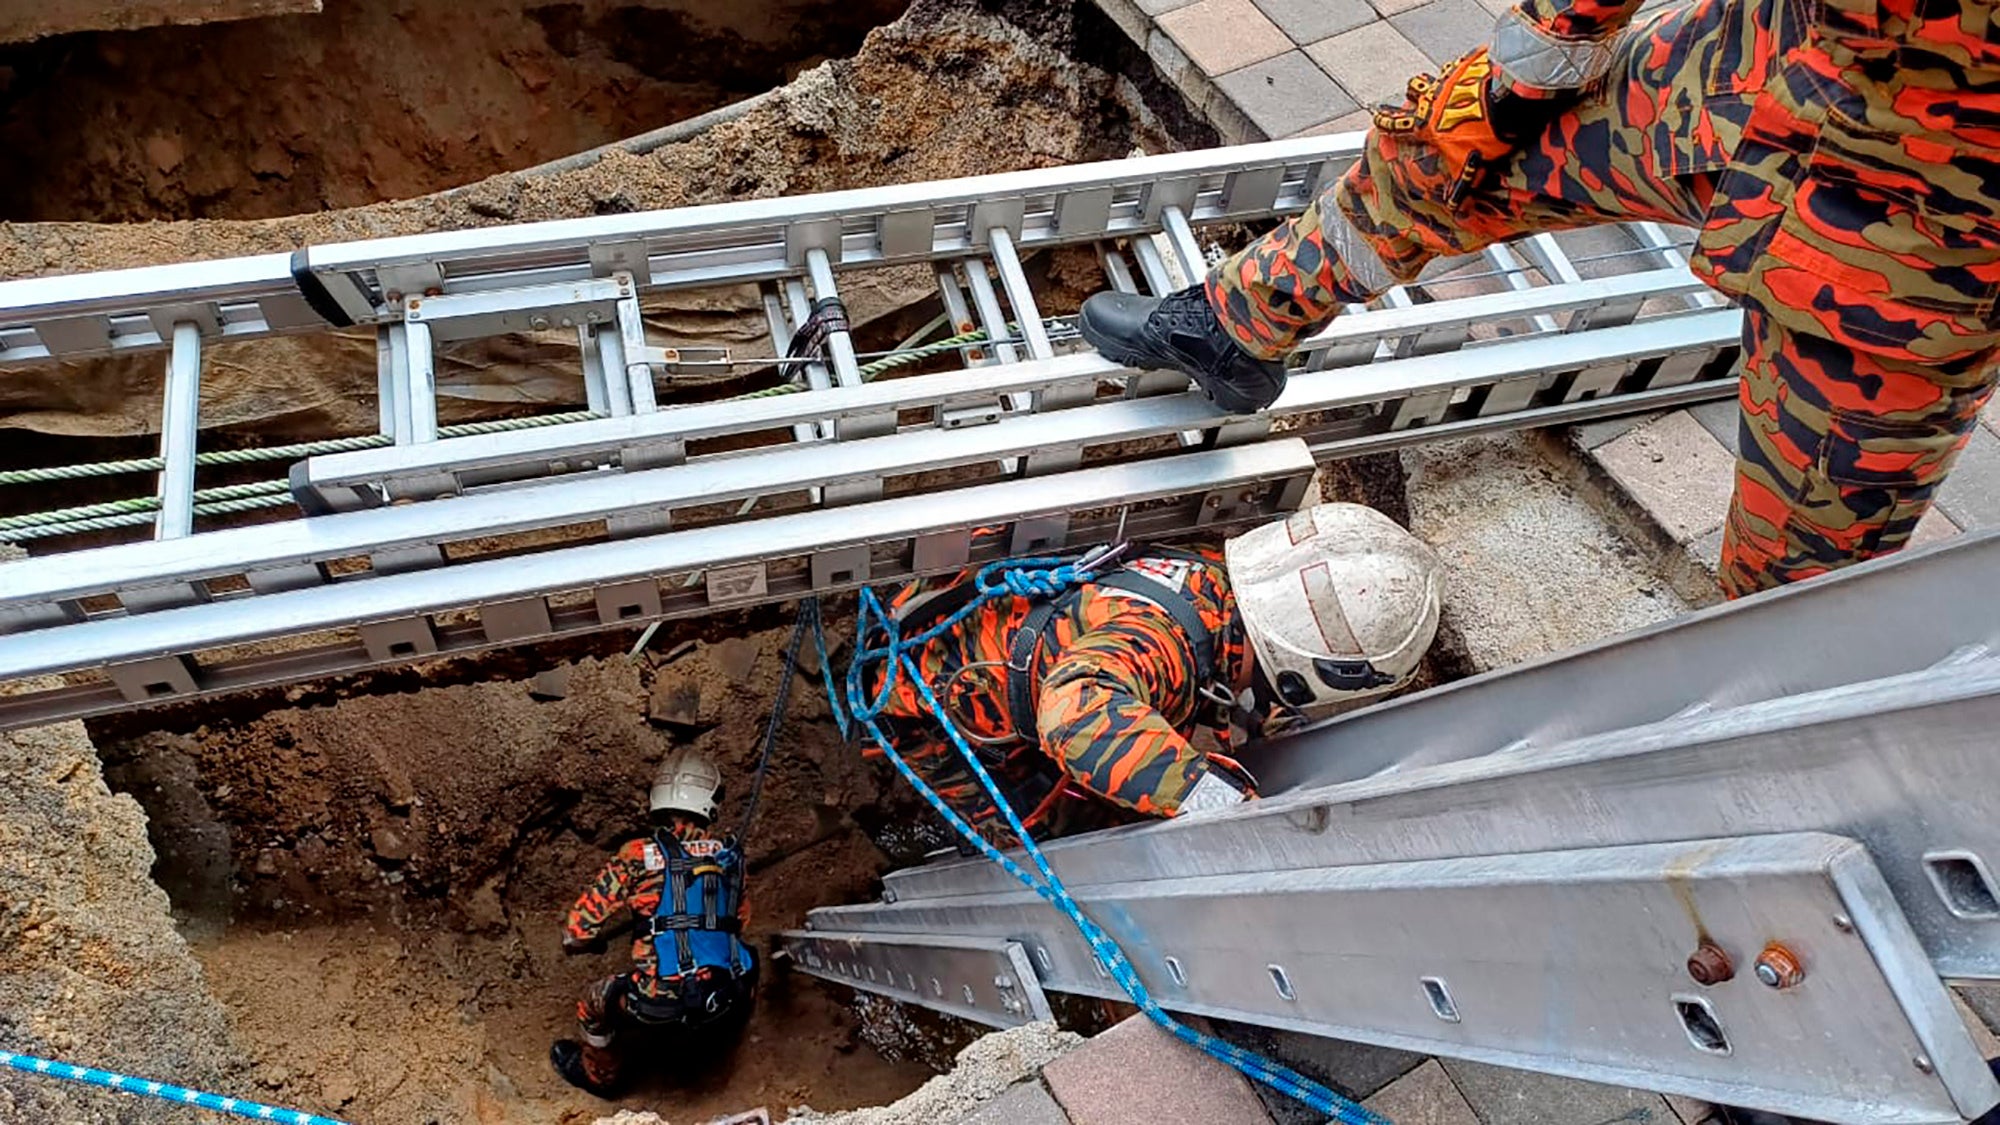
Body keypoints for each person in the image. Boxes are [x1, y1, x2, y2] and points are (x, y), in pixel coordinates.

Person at [1079, 0, 2000, 599]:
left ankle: (1725, 743)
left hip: (1924, 239)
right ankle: (1237, 326)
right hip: (1768, 69)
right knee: (1439, 151)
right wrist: (1541, 62)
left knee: (1800, 583)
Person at [869, 502, 1442, 841]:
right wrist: (1218, 804)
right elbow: (1077, 718)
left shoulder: (1212, 578)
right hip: (916, 696)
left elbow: (1230, 698)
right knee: (1027, 835)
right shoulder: (1161, 643)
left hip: (962, 617)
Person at [550, 750, 757, 1097]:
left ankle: (602, 1075)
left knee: (591, 1002)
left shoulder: (637, 856)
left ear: (657, 800)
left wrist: (585, 942)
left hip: (660, 998)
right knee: (749, 955)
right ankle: (728, 1030)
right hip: (725, 989)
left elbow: (577, 930)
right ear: (712, 801)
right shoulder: (729, 854)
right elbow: (741, 922)